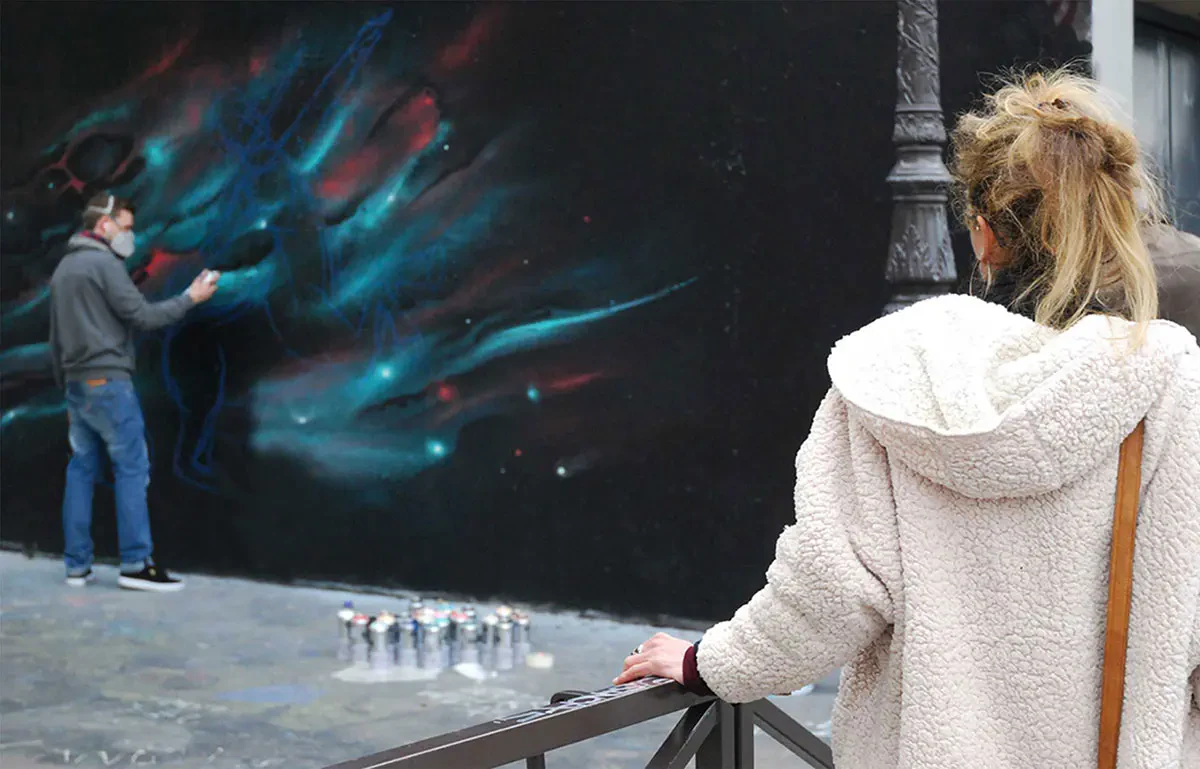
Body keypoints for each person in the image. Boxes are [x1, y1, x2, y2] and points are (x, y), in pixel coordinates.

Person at [618, 70, 1200, 767]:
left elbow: (829, 590)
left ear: (983, 236)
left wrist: (709, 662)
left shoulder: (894, 376)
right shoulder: (1163, 380)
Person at [49, 192, 220, 592]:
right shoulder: (104, 265)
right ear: (103, 225)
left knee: (81, 470)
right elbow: (143, 316)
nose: (131, 235)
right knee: (132, 468)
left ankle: (76, 566)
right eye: (126, 227)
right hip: (109, 383)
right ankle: (135, 563)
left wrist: (68, 389)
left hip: (77, 385)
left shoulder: (63, 269)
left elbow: (55, 338)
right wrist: (190, 299)